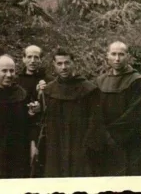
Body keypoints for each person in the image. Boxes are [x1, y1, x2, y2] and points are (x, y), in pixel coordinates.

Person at [41, 48, 107, 178]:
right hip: (56, 146)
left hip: (80, 146)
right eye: (59, 64)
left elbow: (96, 121)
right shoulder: (49, 91)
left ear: (73, 63)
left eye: (67, 63)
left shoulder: (88, 89)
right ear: (54, 65)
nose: (64, 67)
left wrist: (88, 146)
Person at [95, 41, 141, 176]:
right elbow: (95, 111)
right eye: (113, 54)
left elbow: (135, 114)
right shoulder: (101, 81)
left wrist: (112, 135)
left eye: (121, 54)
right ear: (107, 56)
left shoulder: (137, 81)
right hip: (106, 142)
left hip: (130, 143)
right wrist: (102, 134)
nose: (117, 59)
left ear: (128, 56)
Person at [16, 44, 50, 177]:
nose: (32, 60)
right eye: (29, 57)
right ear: (23, 59)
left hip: (40, 130)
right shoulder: (16, 80)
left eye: (36, 57)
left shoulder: (47, 81)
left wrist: (41, 106)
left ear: (41, 60)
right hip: (21, 129)